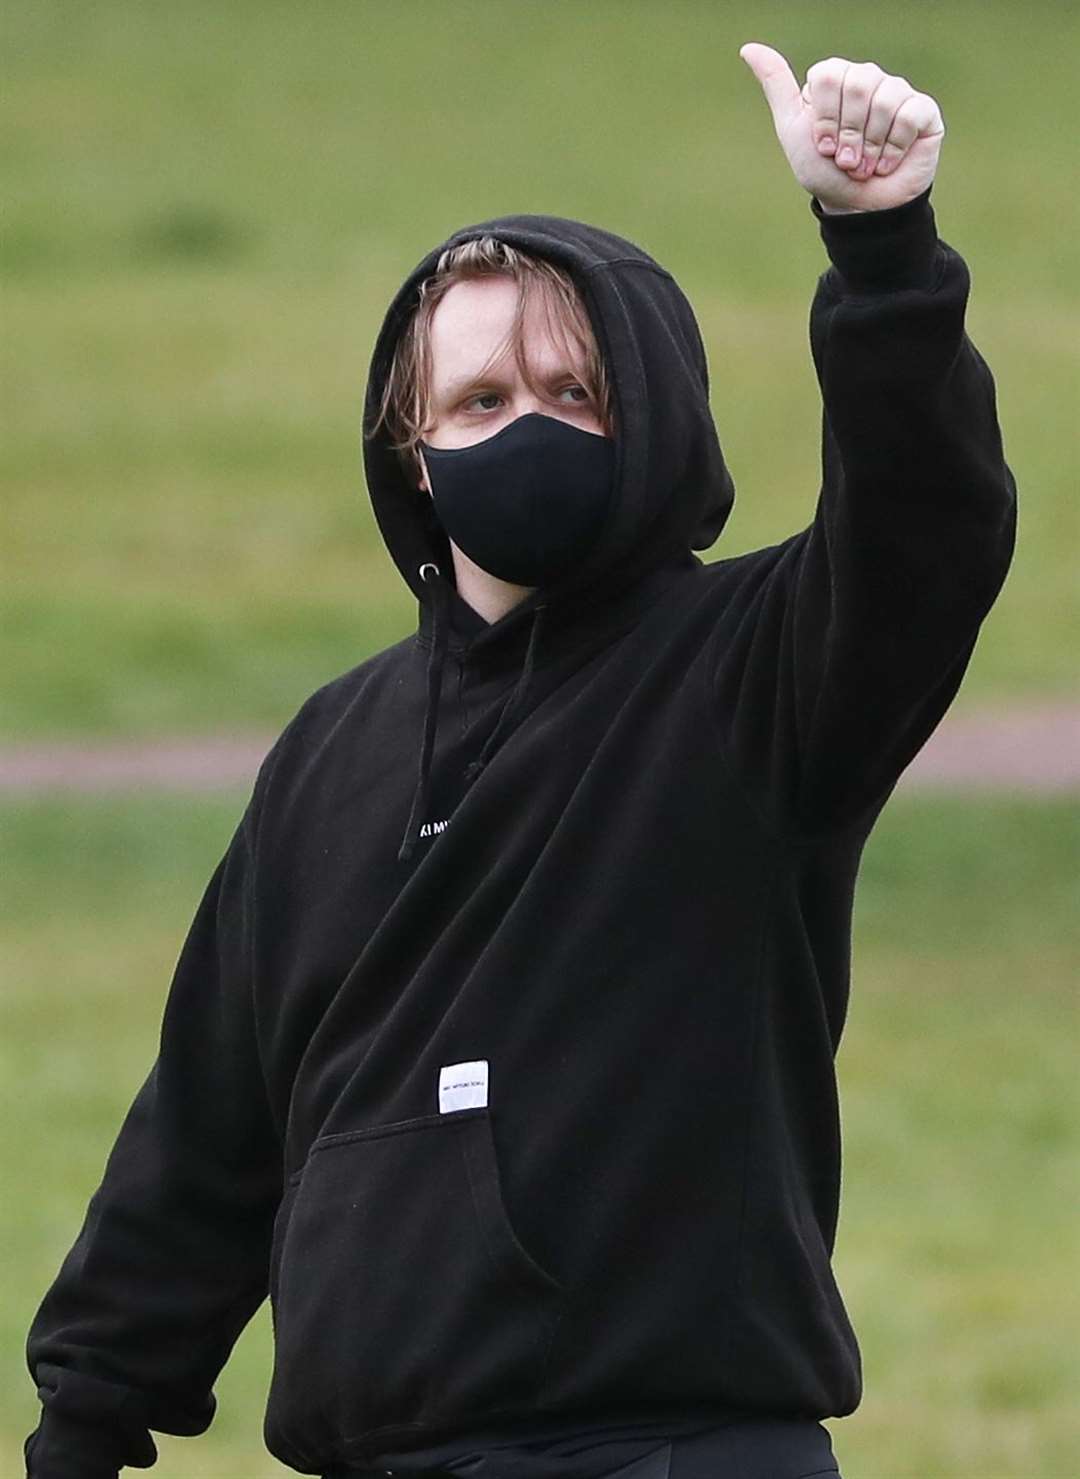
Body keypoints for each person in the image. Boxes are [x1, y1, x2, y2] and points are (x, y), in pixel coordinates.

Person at [24, 41, 1016, 1479]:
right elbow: (205, 1133)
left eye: (572, 390)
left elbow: (928, 526)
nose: (525, 424)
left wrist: (883, 254)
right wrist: (86, 1420)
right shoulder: (332, 750)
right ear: (413, 451)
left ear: (653, 412)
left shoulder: (758, 670)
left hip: (670, 1449)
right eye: (481, 402)